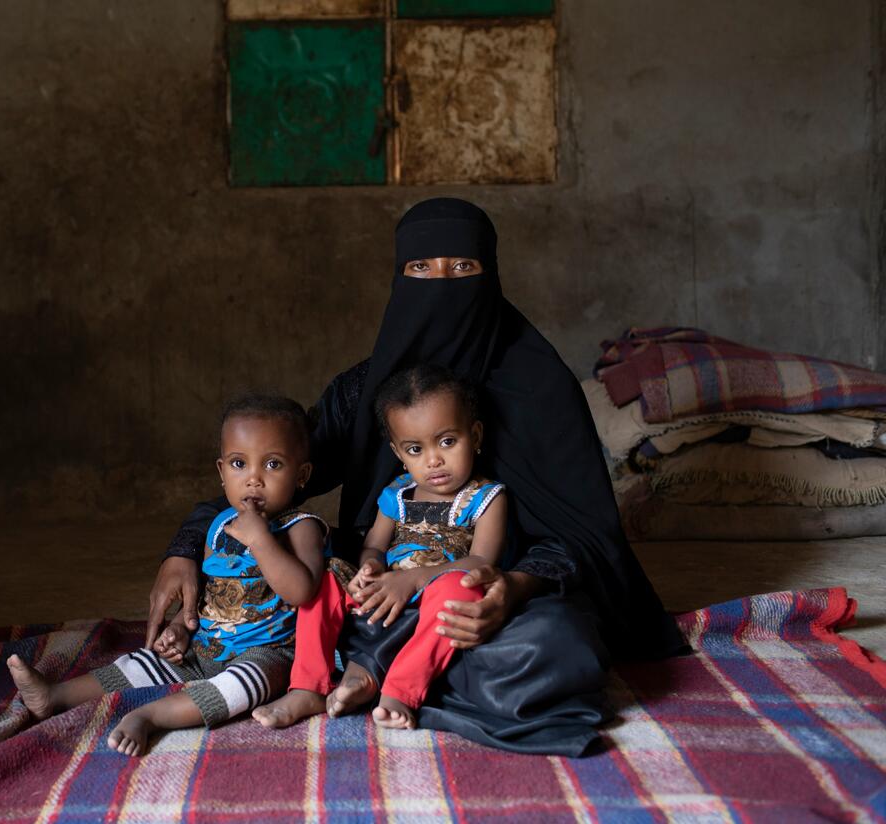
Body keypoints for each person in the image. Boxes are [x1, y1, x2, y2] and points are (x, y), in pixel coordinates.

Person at [148, 198, 685, 756]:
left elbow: (586, 537)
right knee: (310, 601)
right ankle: (360, 673)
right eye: (421, 269)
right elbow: (276, 478)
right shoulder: (365, 392)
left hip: (490, 597)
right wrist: (187, 544)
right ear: (399, 277)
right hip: (377, 593)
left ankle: (377, 675)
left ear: (490, 274)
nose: (441, 283)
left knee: (555, 646)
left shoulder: (540, 389)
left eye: (462, 268)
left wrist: (511, 589)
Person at [7, 394, 327, 756]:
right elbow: (209, 591)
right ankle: (55, 695)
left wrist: (260, 539)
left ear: (301, 475)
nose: (254, 480)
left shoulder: (302, 528)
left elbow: (302, 591)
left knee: (244, 686)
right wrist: (180, 625)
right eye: (239, 463)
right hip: (207, 646)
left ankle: (153, 716)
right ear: (222, 473)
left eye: (272, 465)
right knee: (142, 664)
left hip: (268, 651)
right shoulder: (221, 526)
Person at [254, 364, 508, 731]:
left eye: (447, 442)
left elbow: (482, 560)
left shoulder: (486, 498)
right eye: (415, 449)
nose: (433, 460)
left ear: (476, 435)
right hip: (386, 590)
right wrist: (369, 569)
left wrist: (417, 580)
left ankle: (403, 689)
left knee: (463, 590)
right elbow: (373, 546)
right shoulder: (396, 494)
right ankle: (308, 685)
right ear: (399, 454)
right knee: (324, 582)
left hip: (435, 590)